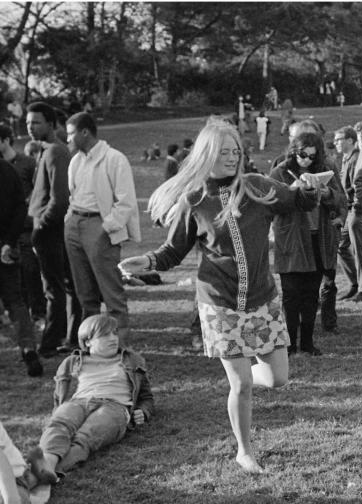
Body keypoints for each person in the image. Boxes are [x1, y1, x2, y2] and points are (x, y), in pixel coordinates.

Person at [119, 118, 323, 473]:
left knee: (278, 379)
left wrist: (309, 186)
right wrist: (147, 260)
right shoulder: (195, 199)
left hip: (262, 298)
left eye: (235, 152)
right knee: (241, 384)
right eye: (224, 152)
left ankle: (245, 372)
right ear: (207, 154)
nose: (231, 158)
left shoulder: (259, 188)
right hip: (218, 302)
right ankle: (244, 451)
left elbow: (299, 201)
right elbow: (172, 252)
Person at [24, 313, 152, 481]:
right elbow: (60, 394)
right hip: (79, 402)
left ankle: (45, 473)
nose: (113, 338)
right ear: (87, 341)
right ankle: (46, 465)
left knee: (86, 436)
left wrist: (143, 411)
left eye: (114, 332)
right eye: (105, 335)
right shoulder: (74, 361)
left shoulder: (133, 360)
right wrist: (59, 409)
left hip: (115, 406)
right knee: (59, 425)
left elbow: (147, 397)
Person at [64, 112, 140, 346]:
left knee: (111, 293)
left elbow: (126, 201)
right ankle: (92, 346)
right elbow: (73, 194)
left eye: (70, 134)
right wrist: (70, 220)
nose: (67, 139)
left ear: (85, 132)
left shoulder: (114, 158)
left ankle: (120, 348)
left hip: (99, 227)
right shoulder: (76, 160)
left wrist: (105, 228)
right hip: (75, 224)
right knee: (85, 294)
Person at [268, 131, 346, 354]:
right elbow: (271, 204)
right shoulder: (280, 171)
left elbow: (341, 199)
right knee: (291, 294)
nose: (307, 160)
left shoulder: (324, 170)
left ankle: (308, 342)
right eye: (303, 154)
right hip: (292, 239)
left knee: (311, 294)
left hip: (317, 238)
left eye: (312, 156)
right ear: (294, 150)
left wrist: (326, 191)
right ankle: (290, 343)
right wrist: (292, 192)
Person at [26, 102, 80, 358]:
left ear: (50, 123)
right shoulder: (44, 150)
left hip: (51, 231)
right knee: (63, 286)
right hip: (46, 229)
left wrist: (41, 227)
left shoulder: (57, 151)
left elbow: (59, 199)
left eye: (36, 122)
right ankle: (67, 338)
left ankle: (52, 341)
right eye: (28, 122)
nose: (30, 127)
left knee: (55, 288)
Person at [0, 151, 42, 376]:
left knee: (15, 301)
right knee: (16, 302)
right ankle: (28, 349)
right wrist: (9, 241)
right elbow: (20, 208)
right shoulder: (8, 169)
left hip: (6, 245)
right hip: (7, 245)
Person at [334, 126, 362, 303]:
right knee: (340, 246)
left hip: (357, 208)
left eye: (339, 139)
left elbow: (359, 184)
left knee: (359, 249)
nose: (336, 143)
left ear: (350, 140)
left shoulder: (356, 158)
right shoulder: (345, 158)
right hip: (347, 209)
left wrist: (358, 207)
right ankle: (355, 284)